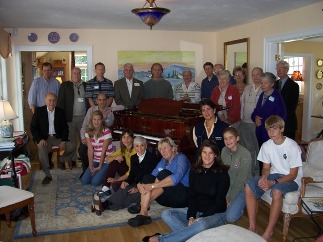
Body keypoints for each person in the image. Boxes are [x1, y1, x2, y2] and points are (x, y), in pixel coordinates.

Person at [141, 139, 230, 242]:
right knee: (166, 214)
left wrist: (201, 217)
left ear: (215, 155)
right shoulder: (195, 171)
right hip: (197, 210)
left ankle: (161, 239)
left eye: (211, 153)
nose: (207, 155)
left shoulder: (222, 174)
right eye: (204, 152)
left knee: (201, 225)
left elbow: (219, 202)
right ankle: (192, 237)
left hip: (215, 214)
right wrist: (191, 216)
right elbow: (192, 196)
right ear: (200, 154)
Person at [245, 115, 303, 241]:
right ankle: (252, 226)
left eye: (274, 129)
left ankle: (269, 232)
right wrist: (264, 178)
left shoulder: (292, 146)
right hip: (274, 174)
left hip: (292, 179)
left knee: (276, 191)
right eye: (268, 129)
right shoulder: (266, 145)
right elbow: (266, 168)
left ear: (282, 129)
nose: (271, 132)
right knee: (249, 185)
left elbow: (293, 174)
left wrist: (273, 182)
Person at [127, 137, 190, 227]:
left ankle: (143, 205)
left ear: (173, 148)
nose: (163, 151)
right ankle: (144, 214)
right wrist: (139, 185)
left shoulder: (181, 158)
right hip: (166, 198)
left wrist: (152, 186)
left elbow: (176, 178)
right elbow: (152, 177)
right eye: (160, 149)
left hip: (182, 197)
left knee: (164, 174)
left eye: (165, 147)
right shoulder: (163, 161)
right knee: (147, 177)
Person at [97, 136, 158, 212]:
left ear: (146, 146)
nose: (140, 148)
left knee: (130, 196)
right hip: (137, 182)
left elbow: (150, 177)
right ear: (134, 147)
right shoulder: (134, 157)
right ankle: (105, 205)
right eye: (137, 146)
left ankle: (105, 205)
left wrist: (137, 188)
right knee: (123, 188)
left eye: (142, 145)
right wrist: (127, 182)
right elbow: (132, 174)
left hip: (148, 187)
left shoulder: (152, 158)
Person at [30, 93, 76, 185]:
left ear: (56, 101)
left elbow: (65, 128)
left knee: (72, 146)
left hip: (57, 138)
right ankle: (48, 175)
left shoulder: (60, 111)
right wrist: (39, 139)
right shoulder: (39, 111)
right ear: (45, 100)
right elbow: (33, 128)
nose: (52, 102)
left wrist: (63, 141)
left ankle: (62, 159)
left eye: (54, 100)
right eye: (49, 100)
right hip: (45, 139)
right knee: (41, 148)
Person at [57, 67, 87, 169]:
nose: (76, 75)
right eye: (74, 73)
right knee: (71, 143)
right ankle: (69, 159)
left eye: (78, 73)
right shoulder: (65, 85)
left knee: (84, 141)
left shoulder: (85, 85)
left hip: (83, 118)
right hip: (69, 118)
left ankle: (83, 159)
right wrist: (61, 119)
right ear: (71, 74)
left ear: (81, 74)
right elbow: (60, 103)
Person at [79, 93, 115, 176]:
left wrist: (110, 110)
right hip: (91, 135)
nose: (102, 102)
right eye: (100, 100)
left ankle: (100, 168)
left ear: (107, 101)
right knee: (82, 149)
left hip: (103, 136)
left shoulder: (110, 110)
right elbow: (84, 126)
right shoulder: (91, 110)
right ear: (96, 101)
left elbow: (123, 107)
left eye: (103, 100)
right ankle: (87, 169)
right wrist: (83, 139)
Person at [221, 127, 252, 223]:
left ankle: (240, 208)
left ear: (237, 138)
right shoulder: (224, 151)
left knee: (229, 217)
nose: (228, 141)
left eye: (231, 138)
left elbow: (241, 181)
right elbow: (223, 174)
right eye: (225, 139)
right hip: (227, 187)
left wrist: (230, 199)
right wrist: (225, 196)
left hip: (242, 189)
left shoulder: (245, 154)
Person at [239, 67, 263, 176]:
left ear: (261, 75)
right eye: (253, 75)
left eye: (258, 74)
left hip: (257, 124)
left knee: (257, 147)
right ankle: (249, 168)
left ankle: (257, 169)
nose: (255, 77)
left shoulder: (264, 89)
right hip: (245, 122)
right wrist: (241, 117)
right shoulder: (247, 88)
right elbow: (242, 103)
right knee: (247, 147)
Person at [80, 110, 114, 186]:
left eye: (98, 119)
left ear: (102, 120)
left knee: (95, 182)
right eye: (94, 119)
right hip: (96, 159)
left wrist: (100, 166)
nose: (96, 122)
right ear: (91, 120)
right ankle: (99, 173)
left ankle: (107, 172)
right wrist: (90, 165)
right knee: (84, 181)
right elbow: (90, 149)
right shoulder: (88, 131)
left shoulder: (106, 131)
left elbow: (104, 151)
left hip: (107, 159)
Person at [100, 129, 136, 196]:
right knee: (114, 161)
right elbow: (107, 159)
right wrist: (115, 158)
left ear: (132, 139)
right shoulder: (123, 149)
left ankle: (132, 189)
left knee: (115, 186)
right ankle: (105, 188)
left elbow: (131, 172)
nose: (126, 139)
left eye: (128, 137)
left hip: (135, 175)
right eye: (124, 137)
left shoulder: (135, 151)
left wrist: (117, 179)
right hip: (128, 171)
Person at [275, 60, 299, 140]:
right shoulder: (274, 84)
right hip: (275, 122)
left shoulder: (294, 86)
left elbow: (291, 107)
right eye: (277, 68)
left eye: (280, 68)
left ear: (286, 70)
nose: (278, 70)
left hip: (288, 122)